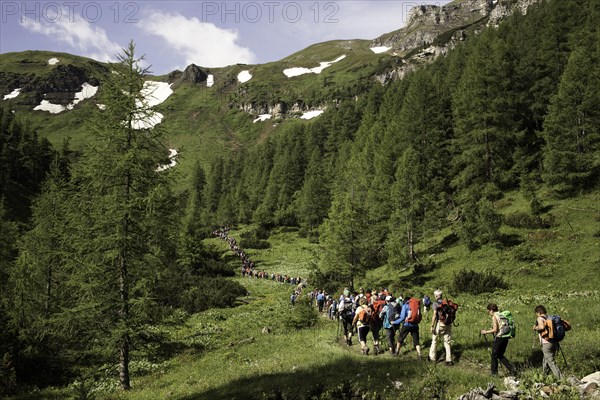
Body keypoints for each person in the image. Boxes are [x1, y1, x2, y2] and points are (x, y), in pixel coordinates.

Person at [480, 303, 515, 376]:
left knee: (494, 355)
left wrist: (485, 332)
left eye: (488, 311)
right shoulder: (501, 315)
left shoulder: (494, 316)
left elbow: (495, 329)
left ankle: (494, 374)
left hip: (500, 337)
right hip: (506, 336)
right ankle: (512, 369)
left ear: (491, 310)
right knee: (499, 354)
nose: (488, 312)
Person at [533, 305, 562, 379]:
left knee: (551, 362)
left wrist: (535, 327)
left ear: (539, 312)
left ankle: (561, 378)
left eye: (536, 313)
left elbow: (542, 327)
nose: (536, 315)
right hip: (554, 341)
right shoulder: (549, 318)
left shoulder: (540, 318)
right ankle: (544, 376)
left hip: (546, 342)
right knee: (546, 359)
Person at [429, 289, 453, 365]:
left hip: (440, 324)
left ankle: (432, 358)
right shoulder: (447, 303)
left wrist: (432, 326)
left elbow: (434, 315)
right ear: (441, 295)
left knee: (434, 340)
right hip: (448, 324)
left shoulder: (436, 303)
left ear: (436, 296)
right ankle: (448, 360)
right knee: (447, 342)